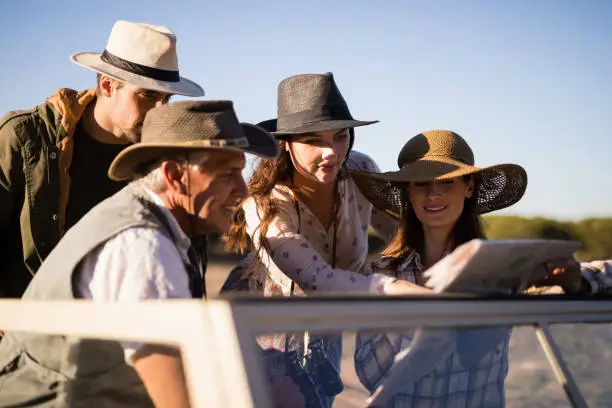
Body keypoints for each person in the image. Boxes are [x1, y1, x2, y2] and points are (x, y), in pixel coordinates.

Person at [0, 100, 282, 408]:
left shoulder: (142, 218)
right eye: (228, 174)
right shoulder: (143, 246)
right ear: (175, 176)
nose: (243, 191)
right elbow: (174, 398)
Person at [221, 72, 430, 407]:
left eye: (339, 137)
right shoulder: (264, 203)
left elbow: (407, 238)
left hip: (326, 329)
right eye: (313, 140)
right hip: (258, 331)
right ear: (284, 143)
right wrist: (391, 288)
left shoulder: (361, 171)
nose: (331, 152)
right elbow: (318, 278)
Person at [350, 129, 596, 407]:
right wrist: (429, 314)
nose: (433, 193)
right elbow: (370, 373)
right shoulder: (384, 273)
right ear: (408, 193)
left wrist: (576, 282)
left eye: (447, 181)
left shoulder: (500, 267)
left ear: (469, 187)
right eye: (420, 183)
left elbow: (593, 275)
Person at [0, 20, 204, 298]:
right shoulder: (27, 138)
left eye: (166, 99)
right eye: (147, 95)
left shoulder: (165, 161)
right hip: (28, 331)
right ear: (107, 85)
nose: (159, 109)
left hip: (121, 333)